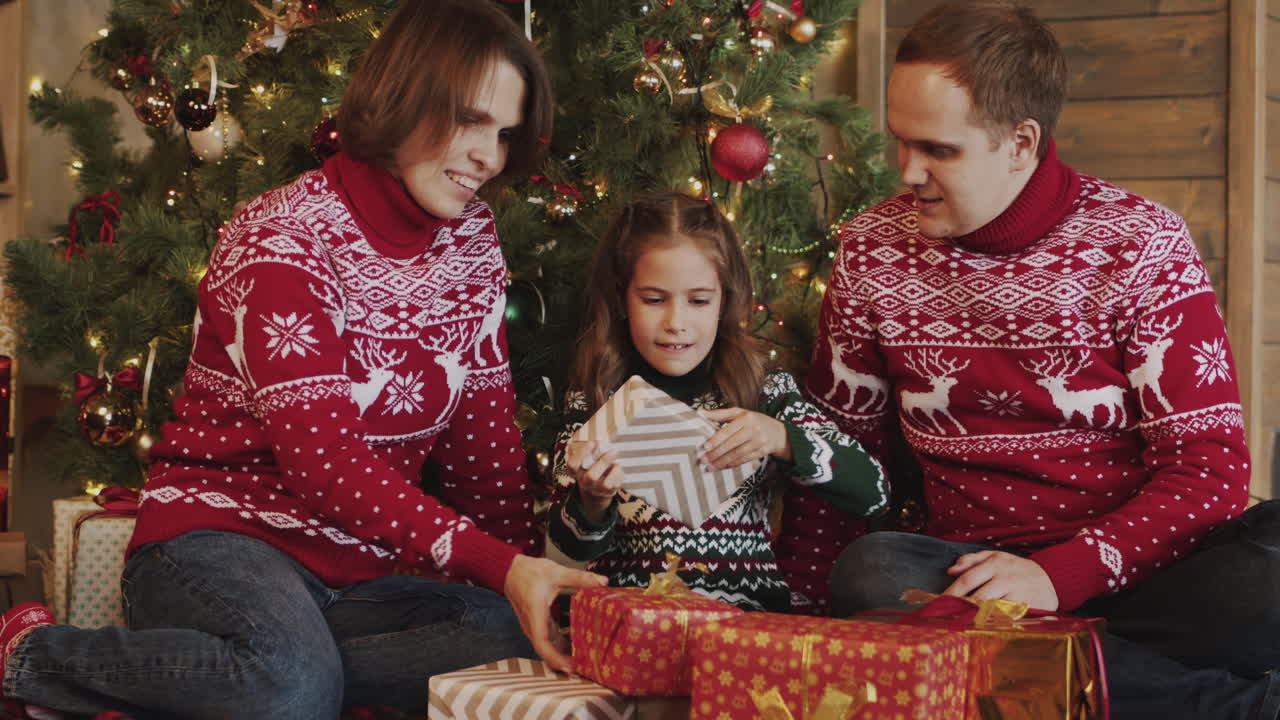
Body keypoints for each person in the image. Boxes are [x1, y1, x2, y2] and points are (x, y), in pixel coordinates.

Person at [0, 2, 605, 718]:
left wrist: (521, 580)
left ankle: (233, 682)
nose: (490, 156)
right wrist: (499, 565)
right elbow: (324, 462)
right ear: (402, 98)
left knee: (502, 633)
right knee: (290, 685)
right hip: (219, 544)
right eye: (471, 121)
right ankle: (30, 656)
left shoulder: (471, 242)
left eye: (504, 133)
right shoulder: (282, 237)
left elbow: (485, 449)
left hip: (357, 580)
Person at [792, 1, 1280, 718]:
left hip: (1145, 569)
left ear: (1021, 142)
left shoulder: (1142, 245)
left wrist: (1058, 578)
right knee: (870, 575)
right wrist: (794, 613)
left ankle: (1040, 670)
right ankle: (1223, 704)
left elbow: (1210, 469)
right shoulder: (872, 247)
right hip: (971, 578)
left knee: (1266, 581)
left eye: (939, 150)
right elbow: (833, 448)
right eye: (901, 142)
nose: (908, 172)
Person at [546, 192, 889, 613]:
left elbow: (873, 491)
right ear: (622, 297)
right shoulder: (596, 395)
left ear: (724, 299)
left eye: (699, 300)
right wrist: (592, 501)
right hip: (634, 622)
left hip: (747, 622)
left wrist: (782, 438)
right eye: (654, 300)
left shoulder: (764, 389)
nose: (676, 323)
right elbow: (568, 551)